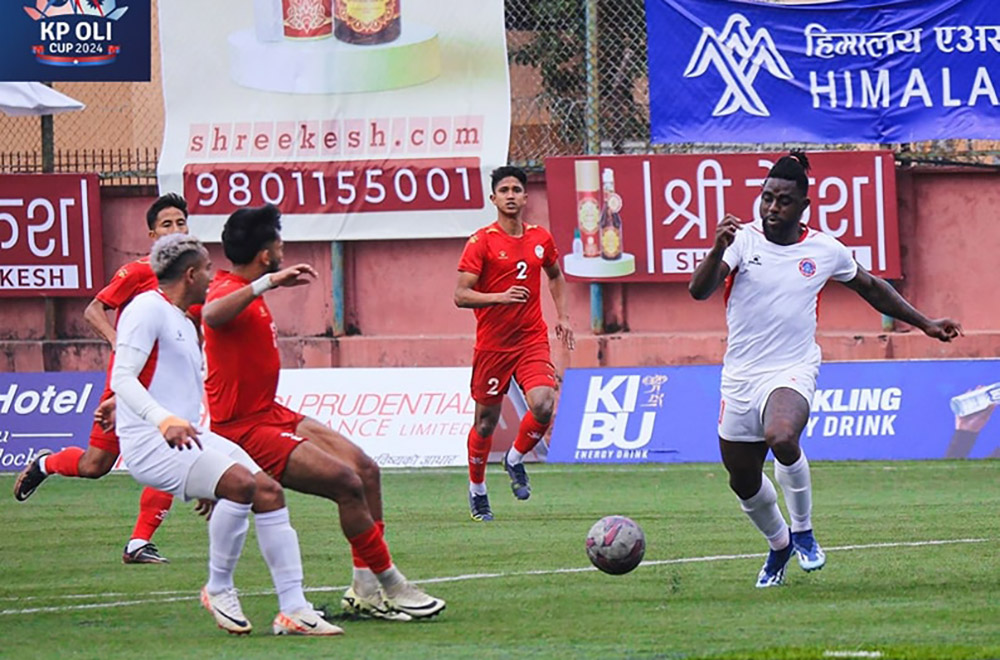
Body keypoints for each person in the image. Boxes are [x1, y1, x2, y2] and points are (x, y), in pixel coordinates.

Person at [688, 151, 962, 588]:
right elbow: (698, 291)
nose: (772, 208)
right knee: (742, 480)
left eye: (783, 201)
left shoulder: (824, 249)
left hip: (792, 368)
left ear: (804, 206)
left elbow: (872, 287)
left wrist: (925, 323)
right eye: (767, 198)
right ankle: (779, 544)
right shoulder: (742, 241)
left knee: (782, 436)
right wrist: (717, 246)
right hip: (740, 376)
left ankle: (803, 532)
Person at [199, 204, 445, 622]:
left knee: (365, 470)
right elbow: (211, 314)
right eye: (279, 242)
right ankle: (392, 584)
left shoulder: (243, 287)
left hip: (270, 412)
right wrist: (268, 282)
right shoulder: (226, 287)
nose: (283, 248)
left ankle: (365, 590)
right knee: (345, 483)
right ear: (265, 254)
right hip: (244, 428)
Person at [111, 233, 341, 636]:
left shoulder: (182, 319)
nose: (212, 276)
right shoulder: (146, 308)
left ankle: (294, 609)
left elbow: (156, 381)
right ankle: (218, 588)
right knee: (240, 485)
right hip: (152, 442)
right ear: (190, 274)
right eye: (206, 269)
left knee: (268, 491)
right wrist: (160, 419)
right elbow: (122, 376)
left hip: (186, 436)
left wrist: (199, 468)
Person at [13, 193, 191, 564]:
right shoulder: (139, 272)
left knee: (173, 454)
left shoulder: (190, 277)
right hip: (127, 381)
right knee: (95, 465)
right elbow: (94, 309)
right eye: (167, 224)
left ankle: (138, 543)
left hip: (166, 385)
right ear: (152, 235)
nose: (175, 229)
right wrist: (118, 342)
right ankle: (46, 464)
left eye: (180, 222)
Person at [454, 165, 575, 522]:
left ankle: (515, 458)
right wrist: (499, 297)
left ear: (525, 197)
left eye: (516, 190)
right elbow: (460, 295)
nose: (510, 195)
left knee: (544, 404)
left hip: (531, 339)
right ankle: (477, 489)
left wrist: (563, 316)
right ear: (493, 198)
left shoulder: (540, 238)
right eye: (504, 190)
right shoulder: (481, 242)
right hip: (493, 346)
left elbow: (555, 275)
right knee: (486, 424)